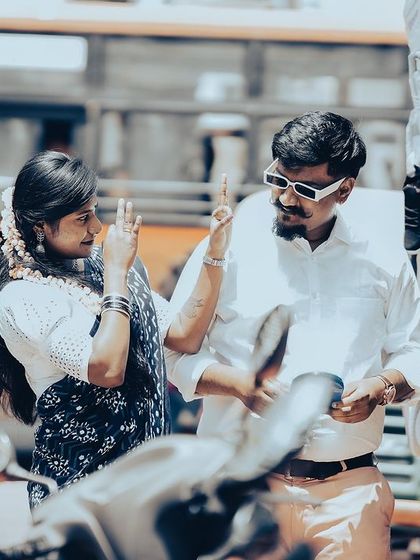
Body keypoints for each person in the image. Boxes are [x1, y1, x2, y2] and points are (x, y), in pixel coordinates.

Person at [166, 111, 420, 559]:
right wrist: (240, 388)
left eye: (305, 190)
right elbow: (172, 353)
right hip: (239, 487)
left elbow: (415, 349)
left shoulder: (384, 260)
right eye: (277, 180)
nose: (284, 198)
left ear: (344, 189)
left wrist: (380, 388)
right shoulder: (229, 248)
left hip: (349, 497)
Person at [0, 151, 232, 509]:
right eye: (82, 217)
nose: (96, 227)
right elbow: (106, 369)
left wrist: (215, 253)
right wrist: (117, 274)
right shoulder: (23, 296)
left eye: (95, 212)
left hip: (144, 489)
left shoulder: (98, 267)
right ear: (41, 226)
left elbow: (184, 333)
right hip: (79, 497)